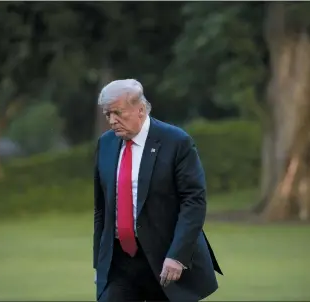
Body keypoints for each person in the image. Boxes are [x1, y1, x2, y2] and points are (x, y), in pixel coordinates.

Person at [93, 79, 223, 302]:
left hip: (165, 259)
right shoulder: (106, 143)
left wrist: (178, 256)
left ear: (140, 109)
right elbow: (101, 209)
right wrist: (100, 263)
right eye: (107, 115)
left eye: (118, 113)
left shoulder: (176, 141)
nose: (112, 121)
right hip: (120, 263)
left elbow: (194, 202)